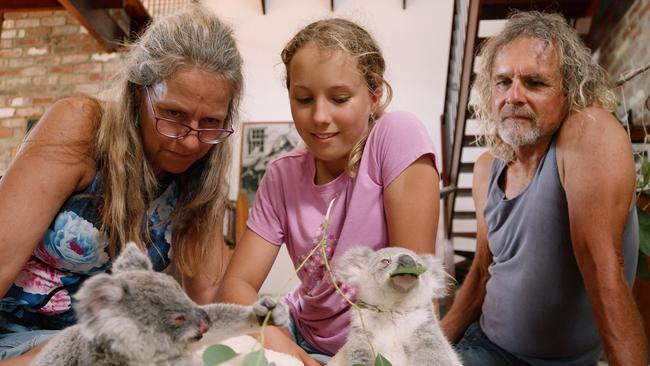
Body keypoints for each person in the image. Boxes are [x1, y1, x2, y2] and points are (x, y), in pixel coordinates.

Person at [0, 4, 241, 364]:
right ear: (138, 93)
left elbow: (211, 301)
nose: (191, 141)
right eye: (173, 114)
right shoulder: (81, 127)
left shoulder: (198, 180)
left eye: (209, 122)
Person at [216, 18, 440, 365]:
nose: (319, 116)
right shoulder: (281, 175)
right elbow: (236, 288)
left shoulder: (396, 137)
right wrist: (286, 347)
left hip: (376, 342)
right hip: (297, 335)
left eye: (339, 98)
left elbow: (410, 295)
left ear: (375, 94)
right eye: (303, 99)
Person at [440, 11, 649, 366]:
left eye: (535, 83)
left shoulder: (588, 131)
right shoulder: (485, 168)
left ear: (569, 91)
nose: (514, 96)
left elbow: (604, 270)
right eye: (503, 82)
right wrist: (429, 348)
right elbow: (479, 274)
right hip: (484, 346)